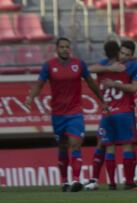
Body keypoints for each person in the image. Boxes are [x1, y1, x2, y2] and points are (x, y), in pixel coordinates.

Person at [25, 37, 106, 192]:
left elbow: (90, 82)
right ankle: (64, 181)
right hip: (57, 114)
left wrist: (102, 99)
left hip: (75, 112)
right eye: (62, 47)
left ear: (70, 49)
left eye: (67, 47)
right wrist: (31, 97)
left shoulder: (79, 64)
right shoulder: (49, 66)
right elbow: (39, 84)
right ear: (57, 49)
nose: (65, 49)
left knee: (75, 143)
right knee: (62, 147)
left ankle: (76, 180)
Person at [85, 40, 137, 191]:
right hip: (123, 112)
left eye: (127, 54)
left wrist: (109, 71)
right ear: (118, 52)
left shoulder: (103, 65)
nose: (124, 56)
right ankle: (129, 182)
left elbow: (89, 69)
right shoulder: (130, 66)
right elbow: (134, 87)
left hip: (108, 113)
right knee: (127, 146)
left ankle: (111, 183)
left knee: (109, 147)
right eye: (122, 53)